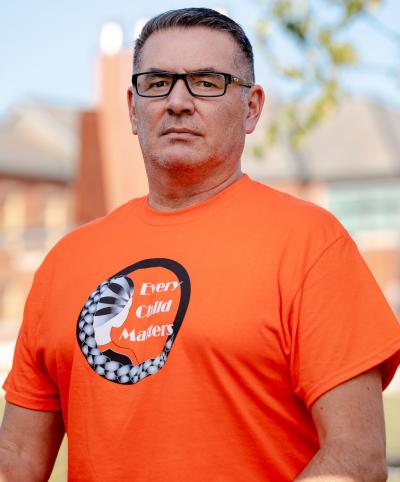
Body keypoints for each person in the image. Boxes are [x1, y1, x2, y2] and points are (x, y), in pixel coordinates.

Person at [1, 7, 400, 482]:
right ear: (132, 108)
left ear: (251, 107)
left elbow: (356, 459)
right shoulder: (66, 263)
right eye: (157, 82)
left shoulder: (311, 243)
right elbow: (18, 458)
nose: (178, 102)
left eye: (207, 82)